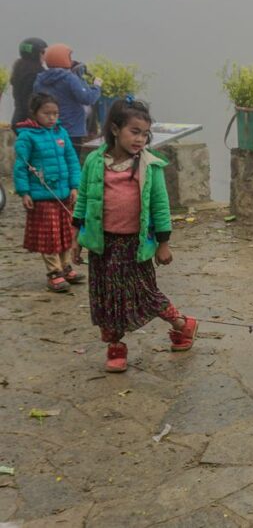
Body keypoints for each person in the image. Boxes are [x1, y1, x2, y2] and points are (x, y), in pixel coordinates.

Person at [71, 99, 198, 373]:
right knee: (105, 298)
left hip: (134, 244)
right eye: (134, 131)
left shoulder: (150, 166)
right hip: (102, 245)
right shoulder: (94, 162)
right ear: (115, 129)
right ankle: (115, 348)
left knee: (146, 294)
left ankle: (181, 325)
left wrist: (163, 244)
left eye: (144, 134)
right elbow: (82, 204)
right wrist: (75, 241)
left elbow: (161, 207)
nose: (140, 139)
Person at [13, 93, 81, 292]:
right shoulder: (27, 136)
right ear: (34, 113)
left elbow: (72, 160)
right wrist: (24, 192)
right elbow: (20, 166)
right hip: (41, 195)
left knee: (66, 232)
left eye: (55, 113)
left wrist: (74, 186)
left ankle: (66, 266)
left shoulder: (61, 133)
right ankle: (54, 272)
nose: (52, 118)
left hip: (64, 194)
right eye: (46, 113)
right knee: (50, 236)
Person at [33, 43, 102, 155]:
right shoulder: (69, 78)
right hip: (72, 130)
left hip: (48, 127)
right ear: (64, 59)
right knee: (71, 161)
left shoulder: (39, 79)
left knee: (52, 159)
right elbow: (87, 98)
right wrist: (97, 86)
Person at [10, 37, 47, 127]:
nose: (45, 55)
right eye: (43, 52)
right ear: (35, 54)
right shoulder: (36, 73)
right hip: (30, 121)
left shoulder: (19, 69)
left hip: (18, 118)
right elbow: (31, 100)